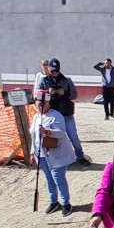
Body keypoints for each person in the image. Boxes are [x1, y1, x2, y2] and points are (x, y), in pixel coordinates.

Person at [30, 89, 75, 217]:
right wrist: (32, 153)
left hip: (57, 153)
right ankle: (54, 201)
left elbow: (61, 132)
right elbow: (33, 135)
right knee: (48, 178)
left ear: (49, 103)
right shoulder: (35, 116)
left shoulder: (56, 115)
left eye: (43, 103)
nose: (41, 106)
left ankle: (66, 203)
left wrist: (48, 132)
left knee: (58, 178)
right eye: (39, 103)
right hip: (42, 154)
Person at [39, 58, 89, 166]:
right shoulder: (44, 80)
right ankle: (55, 159)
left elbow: (74, 95)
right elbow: (38, 94)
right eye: (52, 70)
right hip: (52, 114)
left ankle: (80, 156)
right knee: (53, 136)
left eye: (56, 70)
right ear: (49, 69)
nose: (55, 73)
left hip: (66, 113)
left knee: (73, 136)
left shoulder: (67, 80)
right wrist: (47, 92)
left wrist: (65, 93)